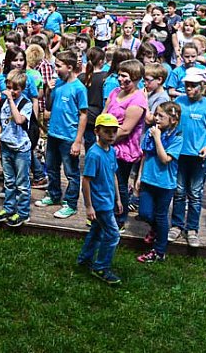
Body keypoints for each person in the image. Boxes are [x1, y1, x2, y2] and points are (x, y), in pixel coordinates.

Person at [169, 68, 206, 247]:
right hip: (179, 155)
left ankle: (192, 229)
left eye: (192, 86)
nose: (189, 89)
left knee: (195, 194)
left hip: (198, 157)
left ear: (202, 86)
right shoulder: (178, 102)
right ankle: (176, 225)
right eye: (186, 85)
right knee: (178, 191)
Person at [41, 50, 88, 218]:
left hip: (69, 137)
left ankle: (71, 203)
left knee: (71, 173)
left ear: (70, 67)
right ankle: (54, 195)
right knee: (52, 168)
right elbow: (48, 107)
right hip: (53, 133)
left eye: (58, 66)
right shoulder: (58, 84)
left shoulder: (79, 88)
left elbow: (83, 115)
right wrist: (48, 90)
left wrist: (77, 141)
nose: (55, 69)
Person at [77, 113, 123, 285]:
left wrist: (118, 199)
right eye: (107, 132)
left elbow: (113, 175)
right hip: (100, 203)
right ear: (97, 131)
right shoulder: (94, 154)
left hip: (109, 200)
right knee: (113, 235)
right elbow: (86, 181)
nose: (111, 135)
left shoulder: (111, 151)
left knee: (97, 231)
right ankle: (101, 267)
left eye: (114, 132)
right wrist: (89, 206)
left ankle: (84, 259)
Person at [135, 102, 183, 263]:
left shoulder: (176, 138)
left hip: (164, 184)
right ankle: (156, 229)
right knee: (144, 213)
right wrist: (139, 176)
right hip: (148, 179)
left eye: (161, 116)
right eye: (156, 114)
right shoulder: (151, 132)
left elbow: (164, 159)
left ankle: (159, 251)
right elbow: (145, 155)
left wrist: (157, 138)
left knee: (161, 215)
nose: (156, 118)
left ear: (173, 120)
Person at [103, 59, 148, 230]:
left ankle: (119, 219)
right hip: (107, 142)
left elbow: (126, 129)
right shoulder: (115, 92)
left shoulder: (137, 99)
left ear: (136, 78)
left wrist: (105, 141)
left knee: (120, 183)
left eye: (125, 77)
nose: (121, 80)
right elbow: (104, 112)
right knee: (106, 181)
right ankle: (107, 213)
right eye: (119, 76)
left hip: (123, 148)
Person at [0, 69, 35, 227]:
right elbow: (0, 123)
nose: (11, 91)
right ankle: (9, 208)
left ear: (22, 89)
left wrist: (11, 100)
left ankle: (23, 213)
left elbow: (18, 120)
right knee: (9, 181)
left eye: (15, 89)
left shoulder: (26, 104)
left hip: (21, 149)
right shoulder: (1, 103)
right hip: (6, 146)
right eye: (9, 87)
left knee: (22, 183)